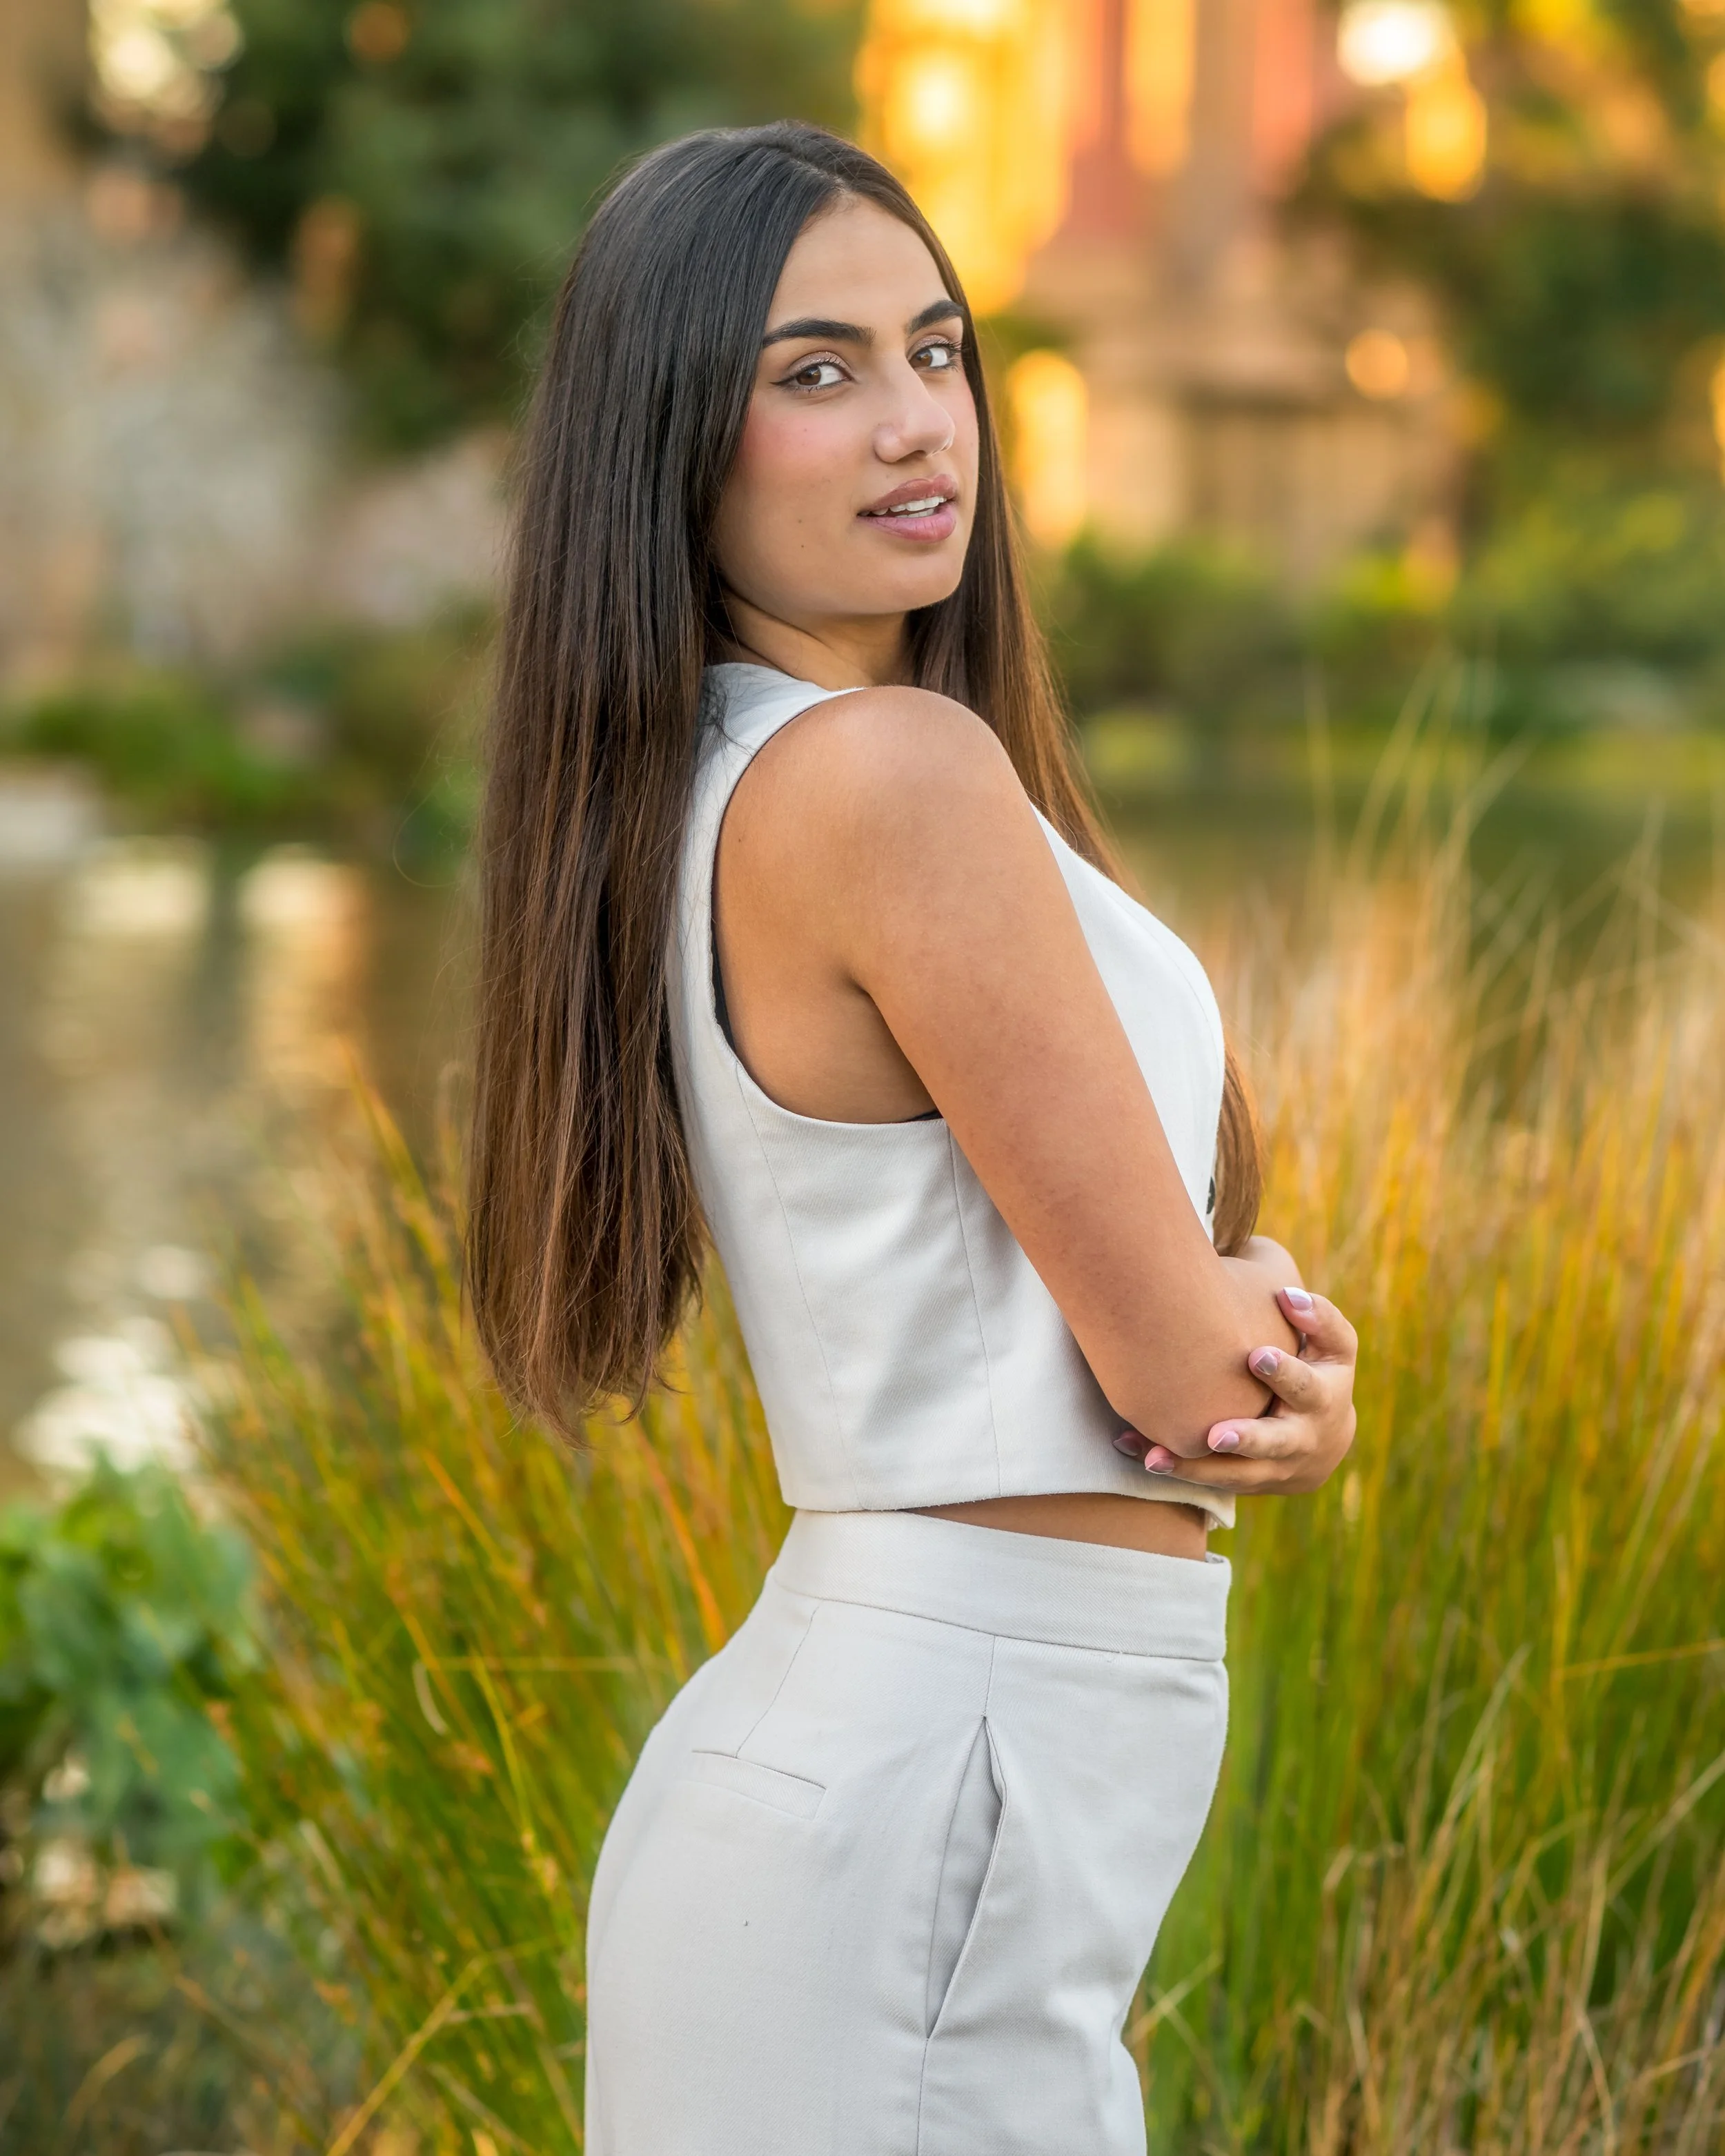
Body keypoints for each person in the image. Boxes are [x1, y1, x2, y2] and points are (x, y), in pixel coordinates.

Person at [466, 121, 1359, 2156]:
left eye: (935, 350)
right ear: (673, 439)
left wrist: (1243, 1334)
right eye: (813, 372)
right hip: (922, 1812)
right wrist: (1294, 1362)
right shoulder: (889, 779)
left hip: (901, 1804)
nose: (908, 424)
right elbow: (1188, 1380)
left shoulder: (727, 773)